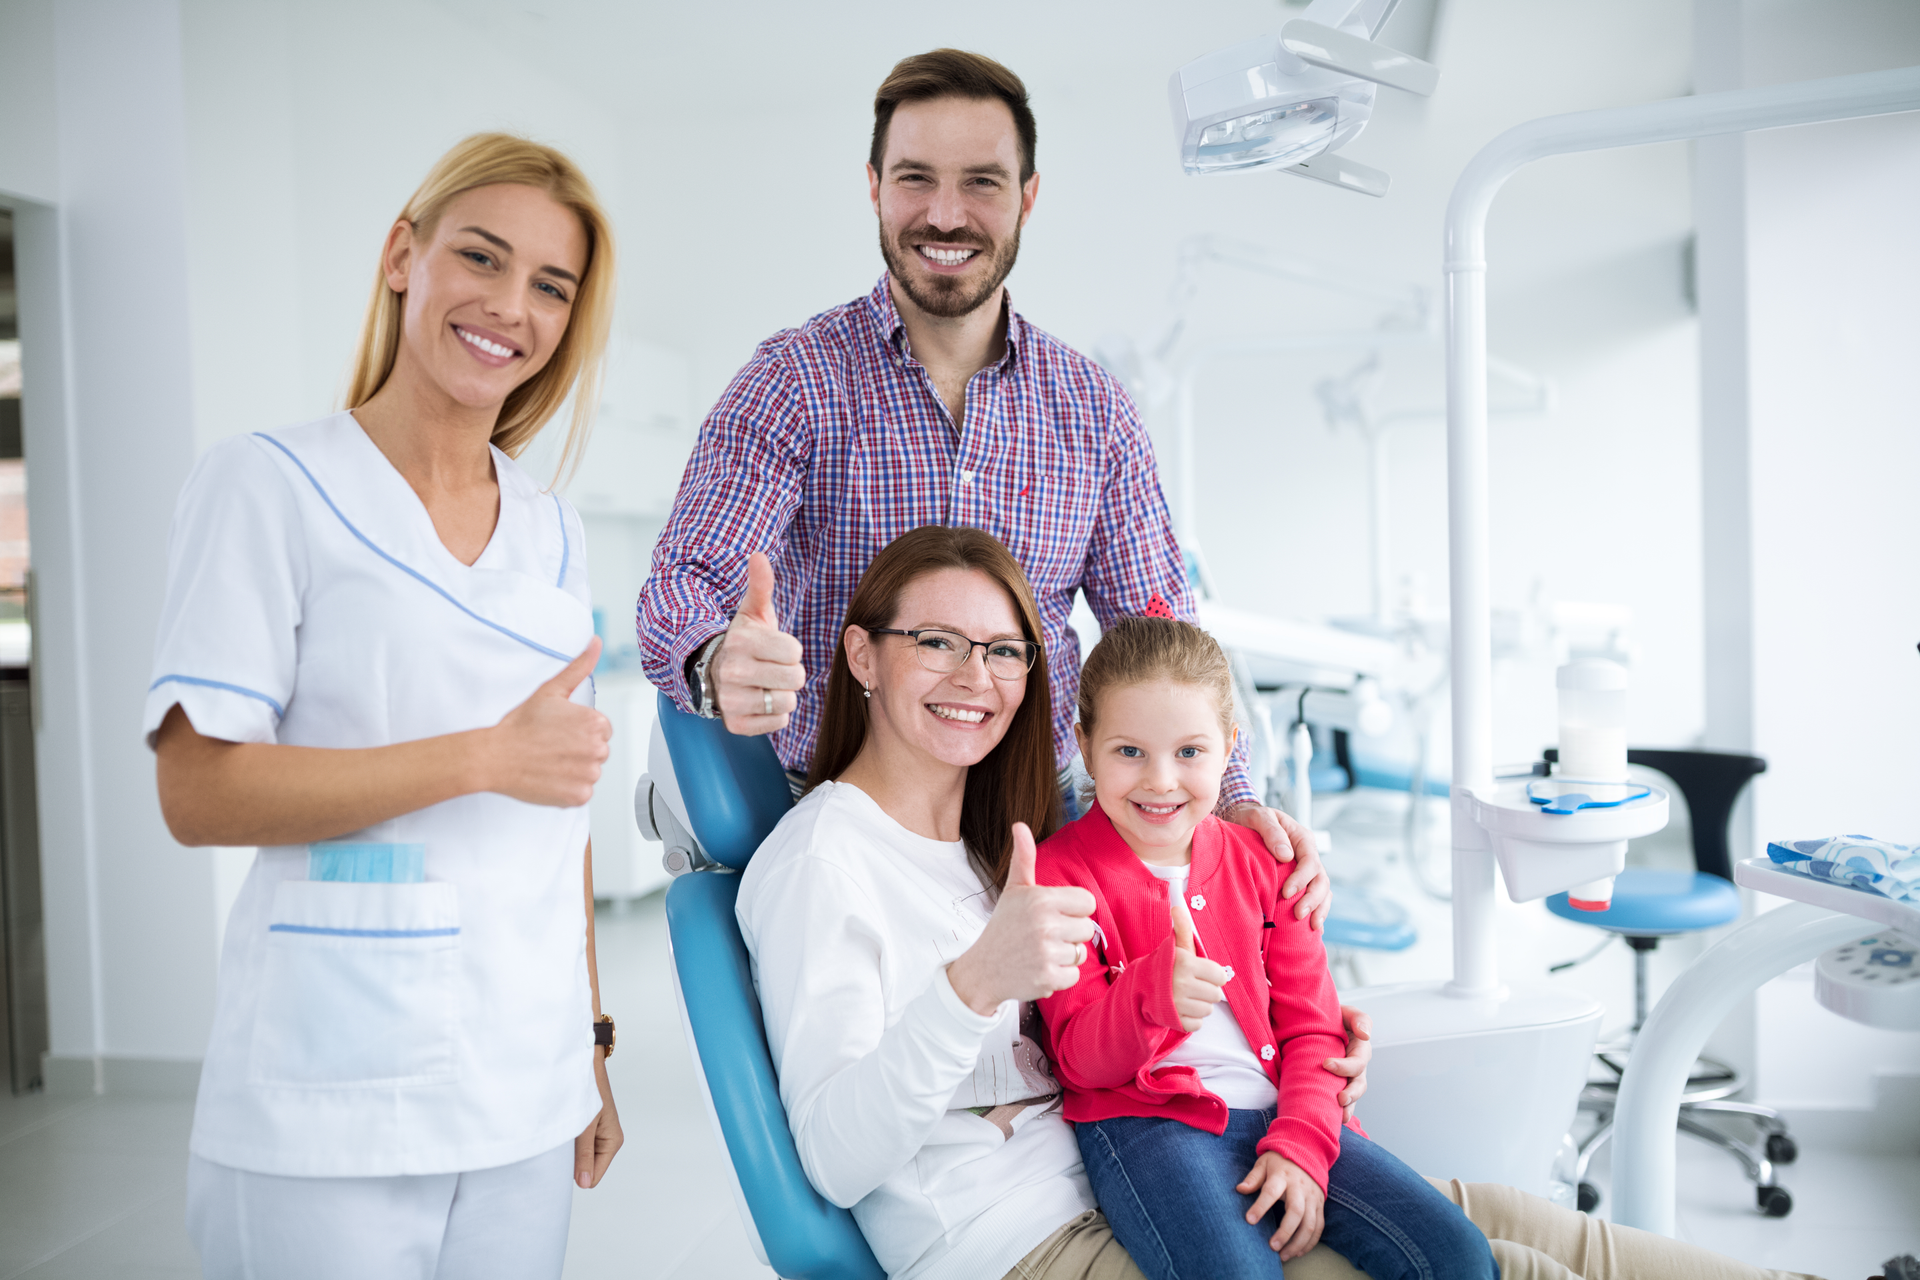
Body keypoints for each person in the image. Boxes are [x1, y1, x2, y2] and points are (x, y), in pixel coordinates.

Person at [738, 524, 1831, 1280]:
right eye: (935, 640)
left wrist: (1294, 1045)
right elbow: (834, 1153)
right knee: (1510, 1269)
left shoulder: (992, 840)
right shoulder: (822, 860)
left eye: (1002, 648)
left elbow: (1207, 914)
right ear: (861, 656)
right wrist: (980, 978)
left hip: (1213, 1140)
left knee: (1508, 1226)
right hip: (1038, 1232)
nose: (971, 672)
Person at [637, 47, 1334, 930]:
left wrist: (1230, 797)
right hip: (844, 823)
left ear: (1027, 197)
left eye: (982, 182)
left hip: (1033, 823)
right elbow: (682, 589)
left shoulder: (1093, 409)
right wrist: (714, 660)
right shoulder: (794, 381)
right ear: (875, 186)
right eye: (916, 178)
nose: (945, 213)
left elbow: (1158, 638)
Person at [148, 134, 623, 1280]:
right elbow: (197, 789)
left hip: (524, 1072)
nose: (511, 305)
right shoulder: (268, 482)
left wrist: (590, 1041)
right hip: (330, 1086)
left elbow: (563, 801)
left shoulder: (552, 528)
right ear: (402, 255)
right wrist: (481, 755)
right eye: (482, 256)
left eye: (551, 286)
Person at [1036, 616, 1494, 1280]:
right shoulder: (1060, 873)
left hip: (1281, 1106)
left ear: (1230, 749)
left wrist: (1302, 1145)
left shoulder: (1268, 863)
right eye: (1129, 752)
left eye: (1190, 753)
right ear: (1083, 744)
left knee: (1457, 1255)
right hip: (1147, 1124)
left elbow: (1314, 1028)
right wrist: (1150, 996)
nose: (1161, 781)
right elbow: (1079, 1059)